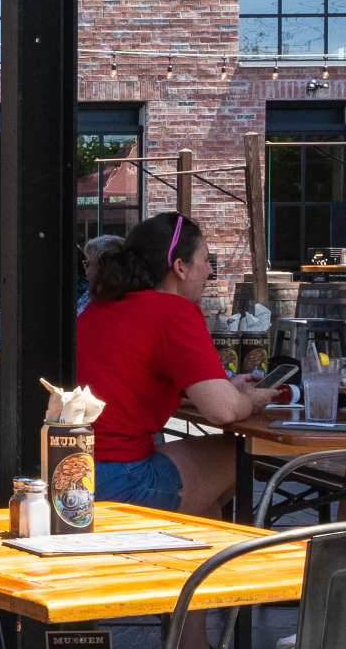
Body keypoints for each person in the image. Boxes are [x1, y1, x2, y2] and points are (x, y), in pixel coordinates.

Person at [67, 210, 265, 515]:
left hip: (69, 471)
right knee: (236, 452)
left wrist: (223, 388)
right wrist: (248, 399)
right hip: (117, 480)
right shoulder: (173, 311)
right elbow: (223, 410)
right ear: (180, 267)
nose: (210, 271)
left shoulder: (102, 306)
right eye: (206, 260)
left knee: (206, 503)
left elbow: (127, 380)